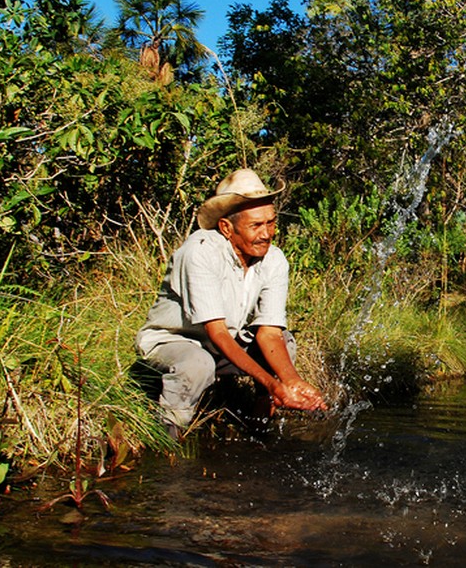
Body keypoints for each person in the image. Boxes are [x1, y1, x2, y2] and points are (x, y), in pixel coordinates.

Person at [135, 168, 326, 435]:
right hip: (175, 342)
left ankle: (259, 426)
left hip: (225, 342)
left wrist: (291, 380)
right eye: (256, 226)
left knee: (285, 342)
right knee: (197, 365)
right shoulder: (200, 252)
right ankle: (168, 434)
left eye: (271, 223)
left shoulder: (274, 260)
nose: (266, 233)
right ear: (226, 227)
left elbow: (269, 332)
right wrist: (271, 383)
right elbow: (217, 333)